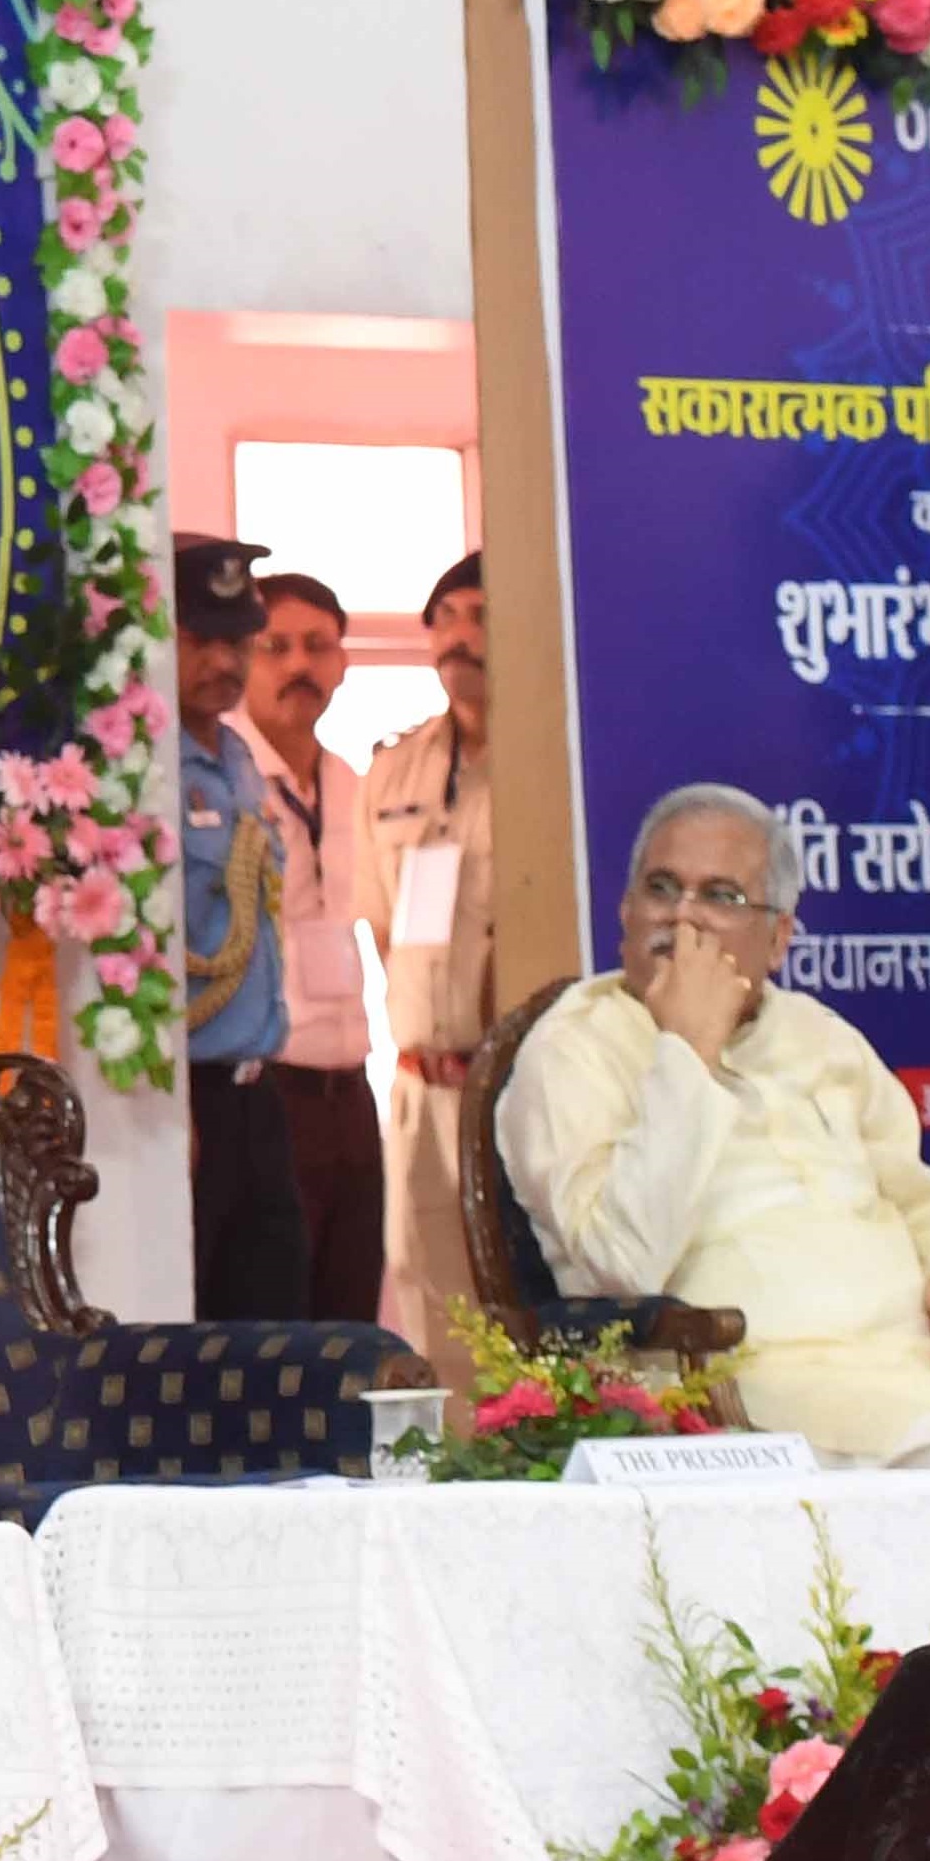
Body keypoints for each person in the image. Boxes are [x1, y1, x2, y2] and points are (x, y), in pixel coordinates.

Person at [498, 785, 930, 1465]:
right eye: (661, 888)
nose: (683, 917)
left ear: (777, 938)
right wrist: (686, 1052)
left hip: (920, 1360)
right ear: (625, 910)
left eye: (719, 896)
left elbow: (916, 1199)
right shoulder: (574, 1049)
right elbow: (623, 1263)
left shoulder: (820, 1036)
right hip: (755, 1386)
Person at [166, 536, 314, 1321]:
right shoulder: (146, 767)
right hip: (184, 1099)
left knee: (276, 1324)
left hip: (258, 1090)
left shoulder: (236, 758)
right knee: (190, 1333)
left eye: (236, 641)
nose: (224, 661)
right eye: (203, 639)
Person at [235, 570, 386, 1326]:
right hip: (268, 1086)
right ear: (245, 658)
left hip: (351, 1086)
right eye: (277, 647)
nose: (299, 666)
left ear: (341, 662)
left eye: (317, 647)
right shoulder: (224, 776)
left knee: (350, 1312)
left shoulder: (352, 781)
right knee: (277, 1316)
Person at [366, 551, 502, 1376]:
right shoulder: (393, 770)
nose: (458, 637)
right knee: (430, 1300)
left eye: (480, 615)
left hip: (514, 1084)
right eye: (443, 618)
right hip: (420, 1086)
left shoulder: (551, 757)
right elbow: (382, 928)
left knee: (518, 1295)